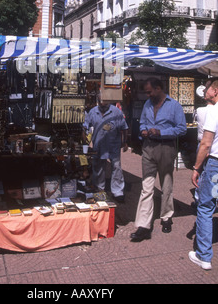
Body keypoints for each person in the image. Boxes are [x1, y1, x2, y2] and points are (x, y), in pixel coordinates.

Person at [130, 77, 187, 242]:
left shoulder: (174, 105)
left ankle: (166, 216)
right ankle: (143, 226)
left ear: (159, 88)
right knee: (146, 187)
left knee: (166, 184)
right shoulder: (148, 104)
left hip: (166, 148)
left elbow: (181, 129)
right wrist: (144, 130)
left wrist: (161, 133)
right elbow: (142, 123)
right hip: (148, 148)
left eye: (149, 91)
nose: (147, 95)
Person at [189, 78, 218, 270]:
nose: (204, 91)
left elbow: (206, 143)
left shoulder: (214, 111)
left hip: (215, 163)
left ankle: (204, 256)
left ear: (215, 91)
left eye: (207, 88)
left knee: (206, 207)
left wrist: (196, 167)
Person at [83, 93, 128, 202]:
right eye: (101, 99)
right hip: (98, 145)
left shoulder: (116, 112)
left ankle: (117, 192)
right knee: (98, 168)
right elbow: (85, 126)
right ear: (98, 99)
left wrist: (125, 142)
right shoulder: (93, 112)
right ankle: (99, 189)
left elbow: (124, 127)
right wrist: (84, 139)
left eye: (105, 100)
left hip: (113, 145)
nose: (103, 102)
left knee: (116, 167)